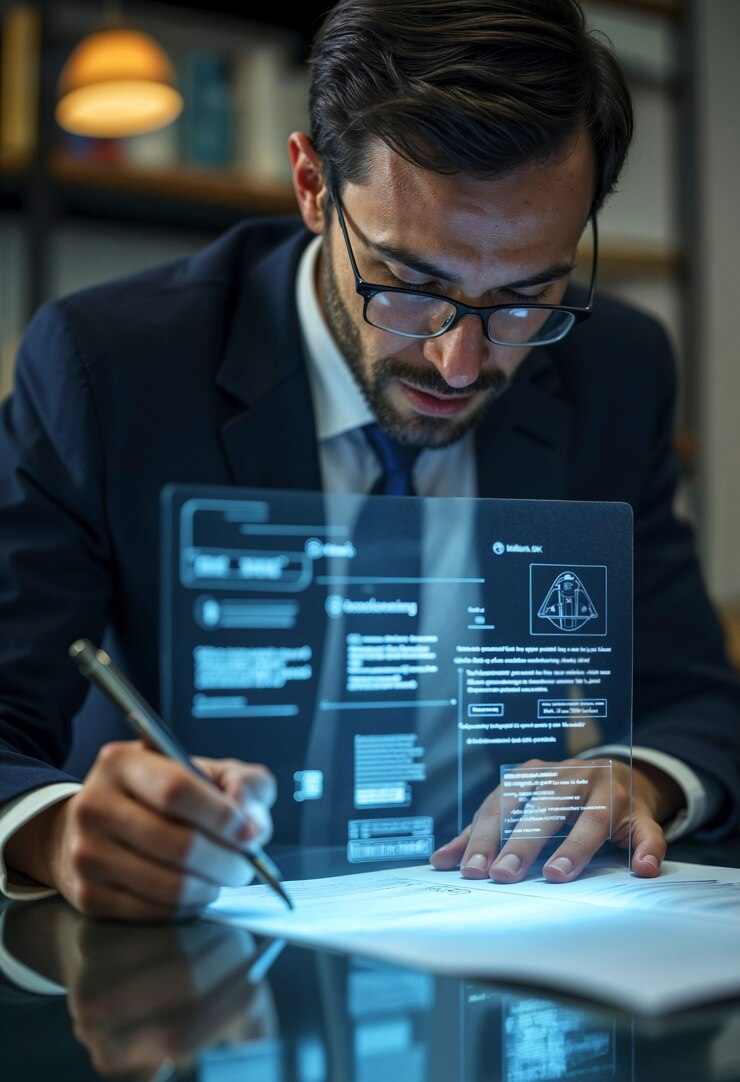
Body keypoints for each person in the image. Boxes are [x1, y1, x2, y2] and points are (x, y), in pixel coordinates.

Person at [0, 0, 738, 921]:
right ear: (312, 186)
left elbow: (694, 698)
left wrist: (636, 775)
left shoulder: (613, 369)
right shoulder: (110, 368)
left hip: (504, 915)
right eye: (410, 284)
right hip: (207, 926)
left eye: (526, 295)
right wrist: (59, 830)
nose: (459, 363)